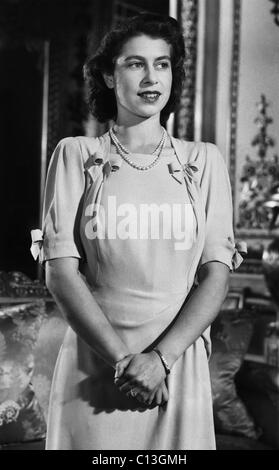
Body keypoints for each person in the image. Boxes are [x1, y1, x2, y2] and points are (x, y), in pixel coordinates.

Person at [30, 13, 245, 450]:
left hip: (176, 366)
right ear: (110, 75)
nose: (151, 78)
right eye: (135, 64)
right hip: (95, 367)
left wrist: (159, 362)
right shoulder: (77, 155)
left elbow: (216, 275)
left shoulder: (203, 161)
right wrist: (126, 363)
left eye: (162, 64)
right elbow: (60, 273)